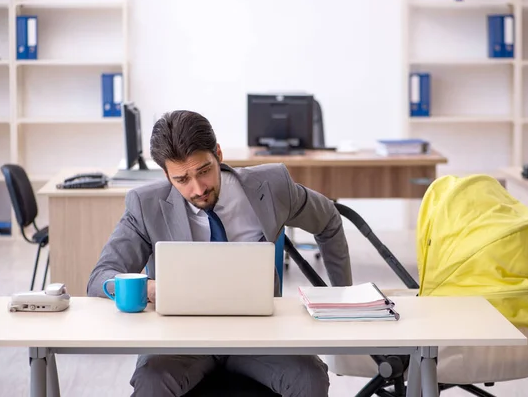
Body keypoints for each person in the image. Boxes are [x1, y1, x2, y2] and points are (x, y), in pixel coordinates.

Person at [87, 110, 353, 397]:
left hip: (259, 337)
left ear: (218, 153)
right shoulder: (145, 205)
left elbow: (328, 220)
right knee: (152, 380)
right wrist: (148, 288)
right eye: (182, 179)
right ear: (166, 175)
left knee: (310, 378)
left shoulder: (272, 185)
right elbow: (101, 277)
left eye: (203, 171)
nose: (198, 188)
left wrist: (342, 299)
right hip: (182, 342)